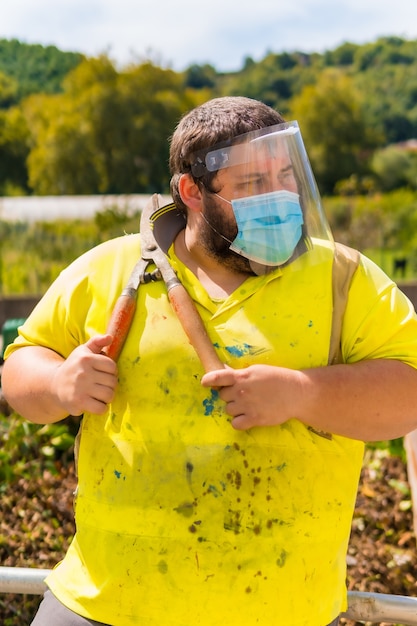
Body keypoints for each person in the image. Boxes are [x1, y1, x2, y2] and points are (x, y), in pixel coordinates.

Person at [3, 96, 417, 626]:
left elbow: (409, 390)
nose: (279, 197)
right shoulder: (111, 268)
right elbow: (19, 371)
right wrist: (59, 384)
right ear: (191, 191)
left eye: (286, 176)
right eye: (250, 186)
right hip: (102, 603)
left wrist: (302, 392)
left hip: (283, 612)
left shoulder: (344, 279)